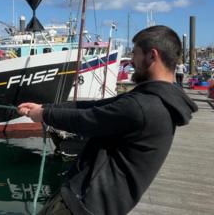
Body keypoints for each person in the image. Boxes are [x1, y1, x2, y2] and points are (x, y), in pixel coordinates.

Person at [18, 25, 198, 215]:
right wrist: (46, 108)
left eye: (135, 53)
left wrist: (43, 115)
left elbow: (88, 119)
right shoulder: (157, 98)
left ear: (152, 56)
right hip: (95, 203)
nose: (131, 62)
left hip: (85, 205)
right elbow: (96, 106)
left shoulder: (144, 106)